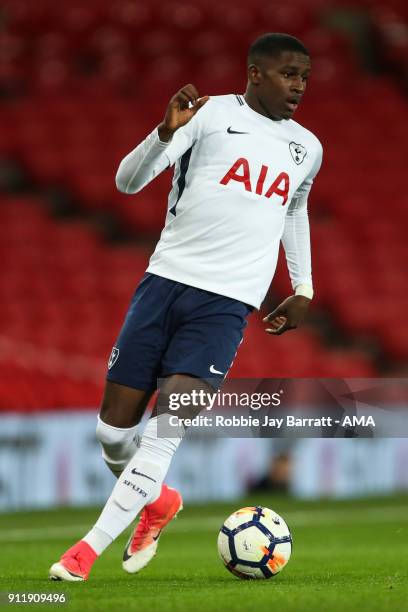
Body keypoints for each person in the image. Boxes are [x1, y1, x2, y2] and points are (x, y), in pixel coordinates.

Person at [49, 32, 322, 582]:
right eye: (288, 73)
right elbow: (128, 183)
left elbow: (296, 211)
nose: (298, 85)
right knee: (111, 435)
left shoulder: (307, 147)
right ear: (254, 72)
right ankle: (159, 501)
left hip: (226, 306)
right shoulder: (208, 115)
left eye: (304, 76)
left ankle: (85, 551)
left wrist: (304, 286)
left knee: (163, 432)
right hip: (163, 284)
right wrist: (163, 133)